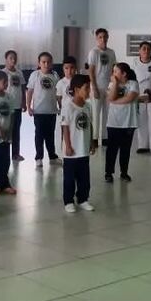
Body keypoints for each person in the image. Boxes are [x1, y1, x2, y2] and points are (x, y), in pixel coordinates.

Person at [61, 74, 95, 213]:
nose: (89, 91)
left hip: (83, 149)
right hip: (72, 151)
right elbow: (65, 127)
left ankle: (83, 199)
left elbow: (90, 125)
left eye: (89, 88)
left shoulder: (88, 106)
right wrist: (68, 146)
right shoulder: (68, 107)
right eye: (86, 88)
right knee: (69, 178)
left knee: (84, 178)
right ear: (76, 89)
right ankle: (68, 201)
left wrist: (92, 142)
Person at [104, 63, 139, 183]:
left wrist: (115, 101)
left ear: (124, 74)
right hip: (113, 122)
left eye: (116, 71)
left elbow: (130, 98)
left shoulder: (133, 84)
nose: (113, 74)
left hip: (128, 123)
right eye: (113, 71)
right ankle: (108, 173)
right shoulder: (111, 84)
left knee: (125, 149)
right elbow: (110, 97)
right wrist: (115, 83)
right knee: (111, 149)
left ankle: (124, 173)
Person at [27, 52, 59, 167]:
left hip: (51, 111)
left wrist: (61, 106)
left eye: (48, 62)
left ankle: (52, 156)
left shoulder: (55, 75)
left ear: (52, 63)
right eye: (43, 62)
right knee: (39, 135)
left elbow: (58, 92)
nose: (46, 64)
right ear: (39, 63)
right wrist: (28, 106)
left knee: (50, 135)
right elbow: (30, 91)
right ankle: (39, 157)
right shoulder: (35, 75)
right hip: (39, 112)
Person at [86, 28, 117, 145]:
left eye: (105, 37)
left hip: (108, 87)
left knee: (107, 113)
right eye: (100, 37)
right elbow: (91, 71)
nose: (103, 39)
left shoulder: (111, 52)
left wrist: (114, 85)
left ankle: (105, 138)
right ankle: (94, 138)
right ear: (97, 38)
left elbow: (114, 69)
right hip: (97, 86)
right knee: (95, 113)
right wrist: (94, 88)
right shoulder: (94, 52)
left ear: (107, 38)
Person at [133, 41, 151, 156]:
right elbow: (132, 79)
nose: (146, 51)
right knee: (142, 122)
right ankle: (142, 145)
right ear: (139, 51)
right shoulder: (135, 62)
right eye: (144, 49)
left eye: (148, 49)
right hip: (140, 96)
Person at [3, 50, 25, 162]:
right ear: (6, 59)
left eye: (15, 58)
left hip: (17, 106)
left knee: (16, 130)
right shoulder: (3, 72)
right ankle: (5, 153)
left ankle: (15, 154)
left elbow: (22, 88)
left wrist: (24, 102)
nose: (13, 60)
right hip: (7, 107)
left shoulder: (19, 73)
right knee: (7, 130)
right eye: (11, 58)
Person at [56, 57, 76, 159]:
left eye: (72, 68)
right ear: (63, 69)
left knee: (75, 132)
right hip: (65, 112)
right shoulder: (61, 83)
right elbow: (59, 98)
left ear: (75, 68)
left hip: (76, 112)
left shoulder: (78, 81)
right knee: (65, 132)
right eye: (66, 68)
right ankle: (63, 153)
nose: (69, 71)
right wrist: (62, 108)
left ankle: (75, 151)